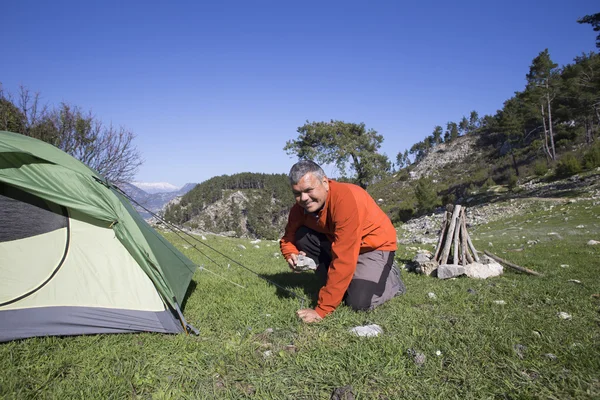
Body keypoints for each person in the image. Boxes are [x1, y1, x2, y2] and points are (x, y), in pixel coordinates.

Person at [280, 160, 405, 323]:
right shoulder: (300, 209)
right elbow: (288, 237)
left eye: (309, 190)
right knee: (301, 235)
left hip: (373, 248)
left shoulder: (345, 199)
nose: (304, 198)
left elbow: (344, 257)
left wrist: (322, 309)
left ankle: (391, 278)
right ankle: (341, 283)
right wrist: (291, 253)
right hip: (341, 244)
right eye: (297, 193)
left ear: (325, 182)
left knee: (359, 302)